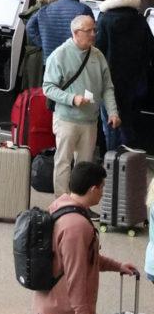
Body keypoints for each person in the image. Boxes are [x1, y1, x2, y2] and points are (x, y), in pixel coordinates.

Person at [33, 161, 138, 314]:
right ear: (93, 189)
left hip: (48, 305)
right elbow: (76, 274)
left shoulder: (60, 206)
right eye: (102, 187)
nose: (103, 192)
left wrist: (117, 266)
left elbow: (83, 259)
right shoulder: (77, 225)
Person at [44, 17, 120, 196]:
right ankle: (62, 203)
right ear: (76, 33)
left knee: (85, 167)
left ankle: (81, 203)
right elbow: (48, 88)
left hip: (90, 121)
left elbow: (107, 87)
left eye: (94, 30)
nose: (94, 34)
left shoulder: (97, 55)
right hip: (66, 120)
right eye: (89, 31)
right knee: (63, 162)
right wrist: (72, 99)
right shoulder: (60, 55)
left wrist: (113, 112)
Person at [94, 0, 154, 150]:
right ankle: (129, 159)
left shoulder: (104, 20)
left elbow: (97, 50)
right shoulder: (140, 20)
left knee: (110, 123)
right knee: (127, 121)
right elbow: (150, 49)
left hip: (109, 80)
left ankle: (111, 160)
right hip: (134, 82)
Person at [27, 0, 93, 61]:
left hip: (50, 60)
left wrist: (43, 42)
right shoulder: (83, 9)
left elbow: (30, 26)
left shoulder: (44, 10)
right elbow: (92, 33)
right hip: (75, 60)